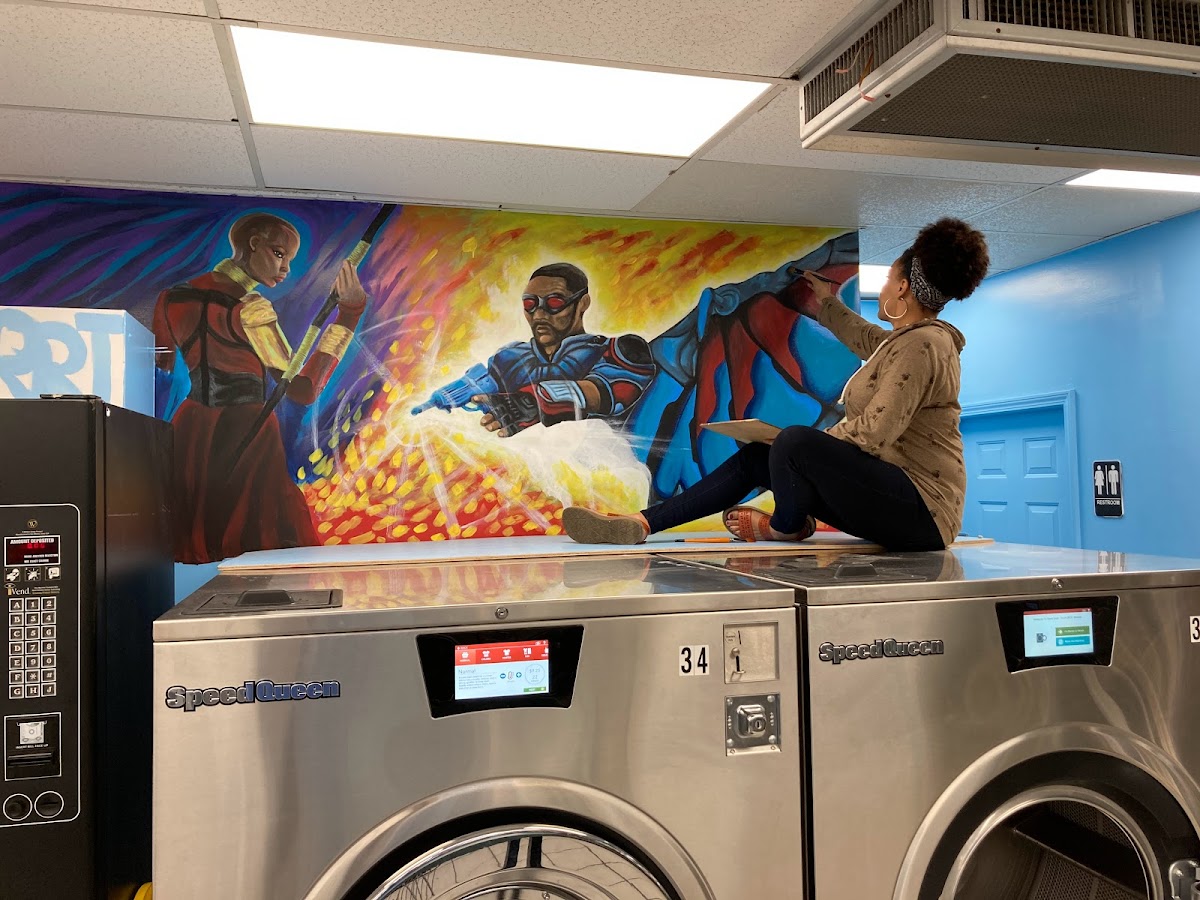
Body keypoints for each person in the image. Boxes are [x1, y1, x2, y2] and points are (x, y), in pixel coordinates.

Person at [561, 218, 990, 552]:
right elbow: (865, 339)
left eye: (887, 281)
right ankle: (641, 523)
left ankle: (785, 526)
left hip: (923, 511)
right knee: (756, 458)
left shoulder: (924, 345)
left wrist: (794, 449)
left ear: (902, 288)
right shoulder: (904, 343)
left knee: (793, 442)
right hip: (894, 502)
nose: (881, 290)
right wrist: (825, 302)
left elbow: (874, 433)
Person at [152, 212, 368, 564]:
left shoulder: (170, 299)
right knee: (268, 544)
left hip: (189, 430)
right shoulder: (252, 310)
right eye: (279, 254)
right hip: (247, 432)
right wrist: (349, 314)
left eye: (290, 260)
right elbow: (301, 390)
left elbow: (160, 369)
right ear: (253, 244)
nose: (285, 269)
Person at [465, 262, 656, 436]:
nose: (539, 315)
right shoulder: (508, 359)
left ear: (582, 303)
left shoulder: (620, 350)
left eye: (554, 303)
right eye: (530, 304)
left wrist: (535, 400)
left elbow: (606, 392)